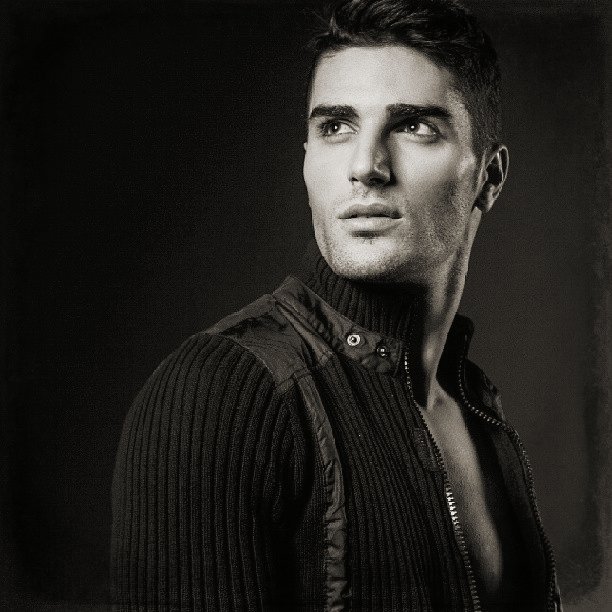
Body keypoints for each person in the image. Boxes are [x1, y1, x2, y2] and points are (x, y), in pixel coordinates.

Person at [111, 0, 562, 610]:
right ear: (306, 158)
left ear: (489, 175)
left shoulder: (478, 408)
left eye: (414, 126)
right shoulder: (218, 394)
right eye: (335, 127)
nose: (365, 167)